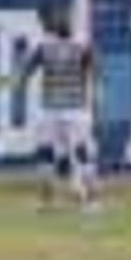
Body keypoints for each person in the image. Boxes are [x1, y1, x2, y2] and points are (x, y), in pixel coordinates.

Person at [17, 20, 103, 212]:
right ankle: (91, 200)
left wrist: (18, 81)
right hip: (75, 108)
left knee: (47, 153)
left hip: (52, 108)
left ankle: (47, 200)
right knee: (81, 154)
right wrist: (97, 93)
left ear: (54, 31)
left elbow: (26, 70)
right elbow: (97, 70)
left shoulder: (45, 47)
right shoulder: (81, 47)